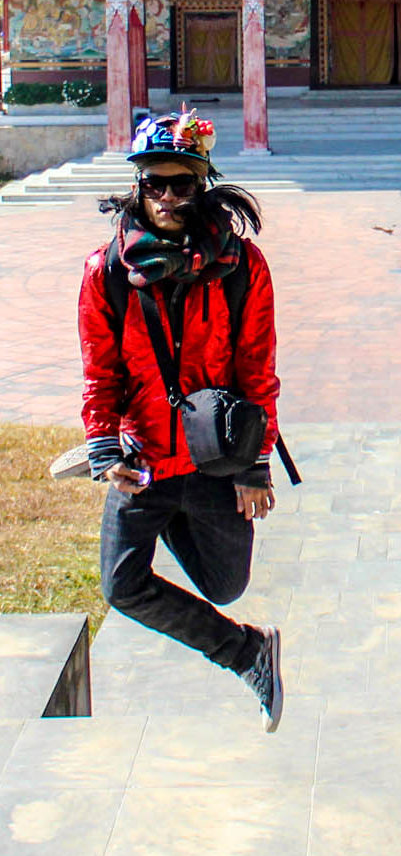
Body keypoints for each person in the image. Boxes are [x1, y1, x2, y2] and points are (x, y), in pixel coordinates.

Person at [78, 108, 284, 731]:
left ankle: (189, 528)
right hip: (142, 460)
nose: (167, 197)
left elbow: (257, 366)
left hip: (214, 458)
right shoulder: (107, 270)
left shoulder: (241, 267)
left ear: (203, 186)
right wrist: (102, 445)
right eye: (155, 183)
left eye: (182, 184)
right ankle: (246, 653)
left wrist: (254, 464)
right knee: (123, 587)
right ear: (137, 185)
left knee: (224, 586)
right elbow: (100, 367)